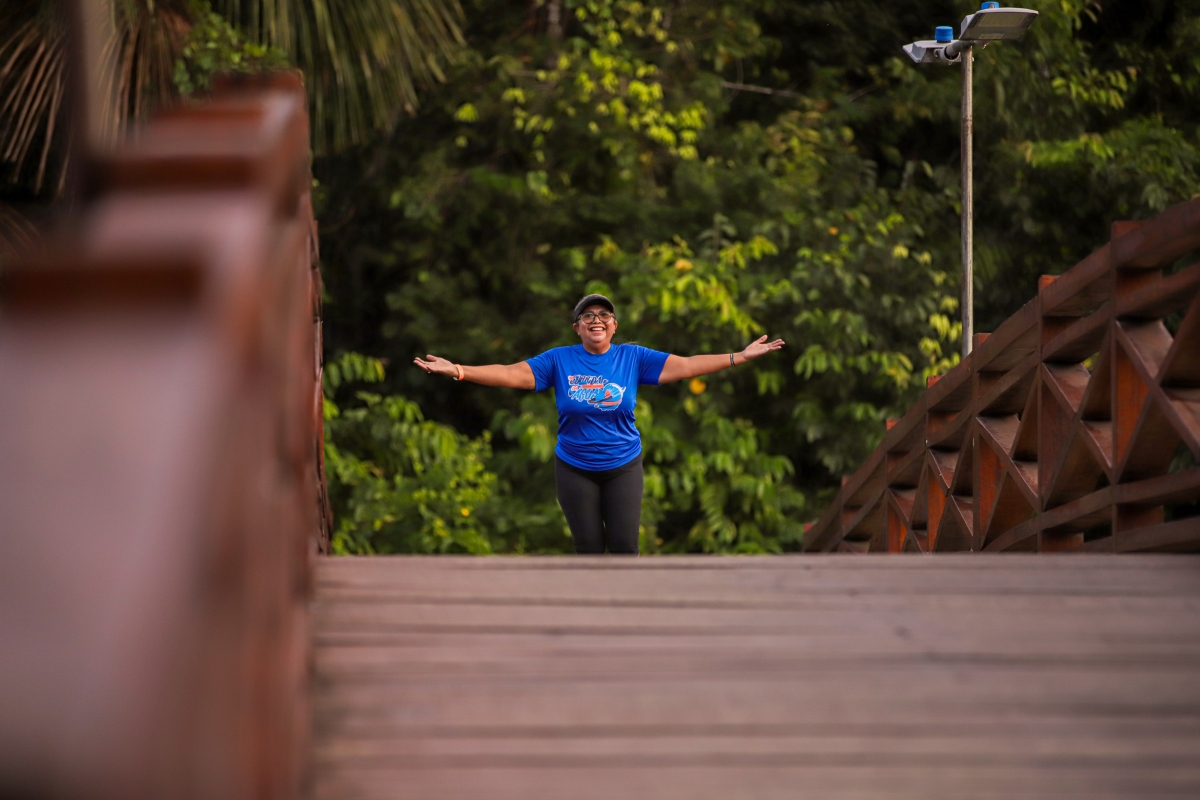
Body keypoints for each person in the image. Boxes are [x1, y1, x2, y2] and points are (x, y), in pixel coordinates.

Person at [413, 294, 785, 554]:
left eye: (604, 315)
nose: (596, 320)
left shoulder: (633, 357)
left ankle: (625, 620)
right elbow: (511, 374)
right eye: (588, 316)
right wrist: (458, 370)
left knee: (624, 547)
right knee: (588, 549)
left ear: (614, 326)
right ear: (577, 328)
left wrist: (739, 356)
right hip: (574, 466)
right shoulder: (558, 360)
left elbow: (687, 365)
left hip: (623, 465)